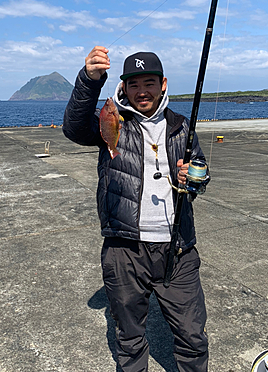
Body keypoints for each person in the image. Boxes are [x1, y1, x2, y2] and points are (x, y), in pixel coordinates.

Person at [63, 46, 209, 372]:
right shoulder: (113, 121)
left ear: (163, 84)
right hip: (124, 248)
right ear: (123, 88)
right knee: (129, 339)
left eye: (149, 83)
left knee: (192, 335)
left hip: (178, 248)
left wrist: (194, 177)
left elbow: (200, 170)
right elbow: (73, 128)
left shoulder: (181, 127)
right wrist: (89, 80)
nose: (142, 91)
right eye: (134, 84)